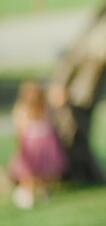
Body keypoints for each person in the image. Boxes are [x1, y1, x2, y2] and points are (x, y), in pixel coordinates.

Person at [8, 80, 68, 209]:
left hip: (32, 144)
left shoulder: (27, 109)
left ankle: (31, 194)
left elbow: (19, 128)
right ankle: (40, 193)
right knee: (39, 172)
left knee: (29, 172)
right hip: (43, 145)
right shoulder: (44, 108)